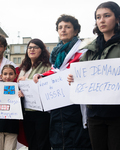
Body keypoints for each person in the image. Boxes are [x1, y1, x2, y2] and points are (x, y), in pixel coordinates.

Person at [34, 15, 91, 150]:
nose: (63, 30)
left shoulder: (83, 52)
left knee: (76, 141)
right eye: (60, 27)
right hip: (57, 105)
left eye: (67, 27)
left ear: (76, 31)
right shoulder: (57, 54)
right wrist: (41, 76)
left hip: (74, 106)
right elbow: (56, 71)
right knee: (58, 140)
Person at [68, 2, 120, 150]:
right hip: (95, 113)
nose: (101, 20)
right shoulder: (90, 49)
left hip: (117, 113)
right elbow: (79, 73)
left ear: (117, 18)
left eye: (107, 16)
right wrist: (73, 78)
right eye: (98, 17)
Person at [18, 38, 51, 150]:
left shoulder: (47, 66)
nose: (32, 49)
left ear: (41, 50)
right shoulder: (23, 67)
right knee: (31, 144)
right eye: (29, 47)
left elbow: (46, 84)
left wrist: (26, 81)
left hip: (41, 112)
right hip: (27, 112)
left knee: (42, 144)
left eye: (35, 47)